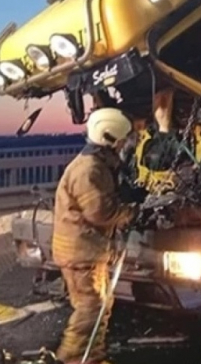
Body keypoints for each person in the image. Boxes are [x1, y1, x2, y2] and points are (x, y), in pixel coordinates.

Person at [51, 107, 134, 364]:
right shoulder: (89, 169)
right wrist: (132, 212)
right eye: (122, 140)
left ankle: (93, 357)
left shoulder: (96, 164)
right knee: (89, 309)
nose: (125, 145)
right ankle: (71, 358)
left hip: (88, 250)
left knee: (101, 307)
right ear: (110, 138)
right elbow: (100, 213)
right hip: (80, 252)